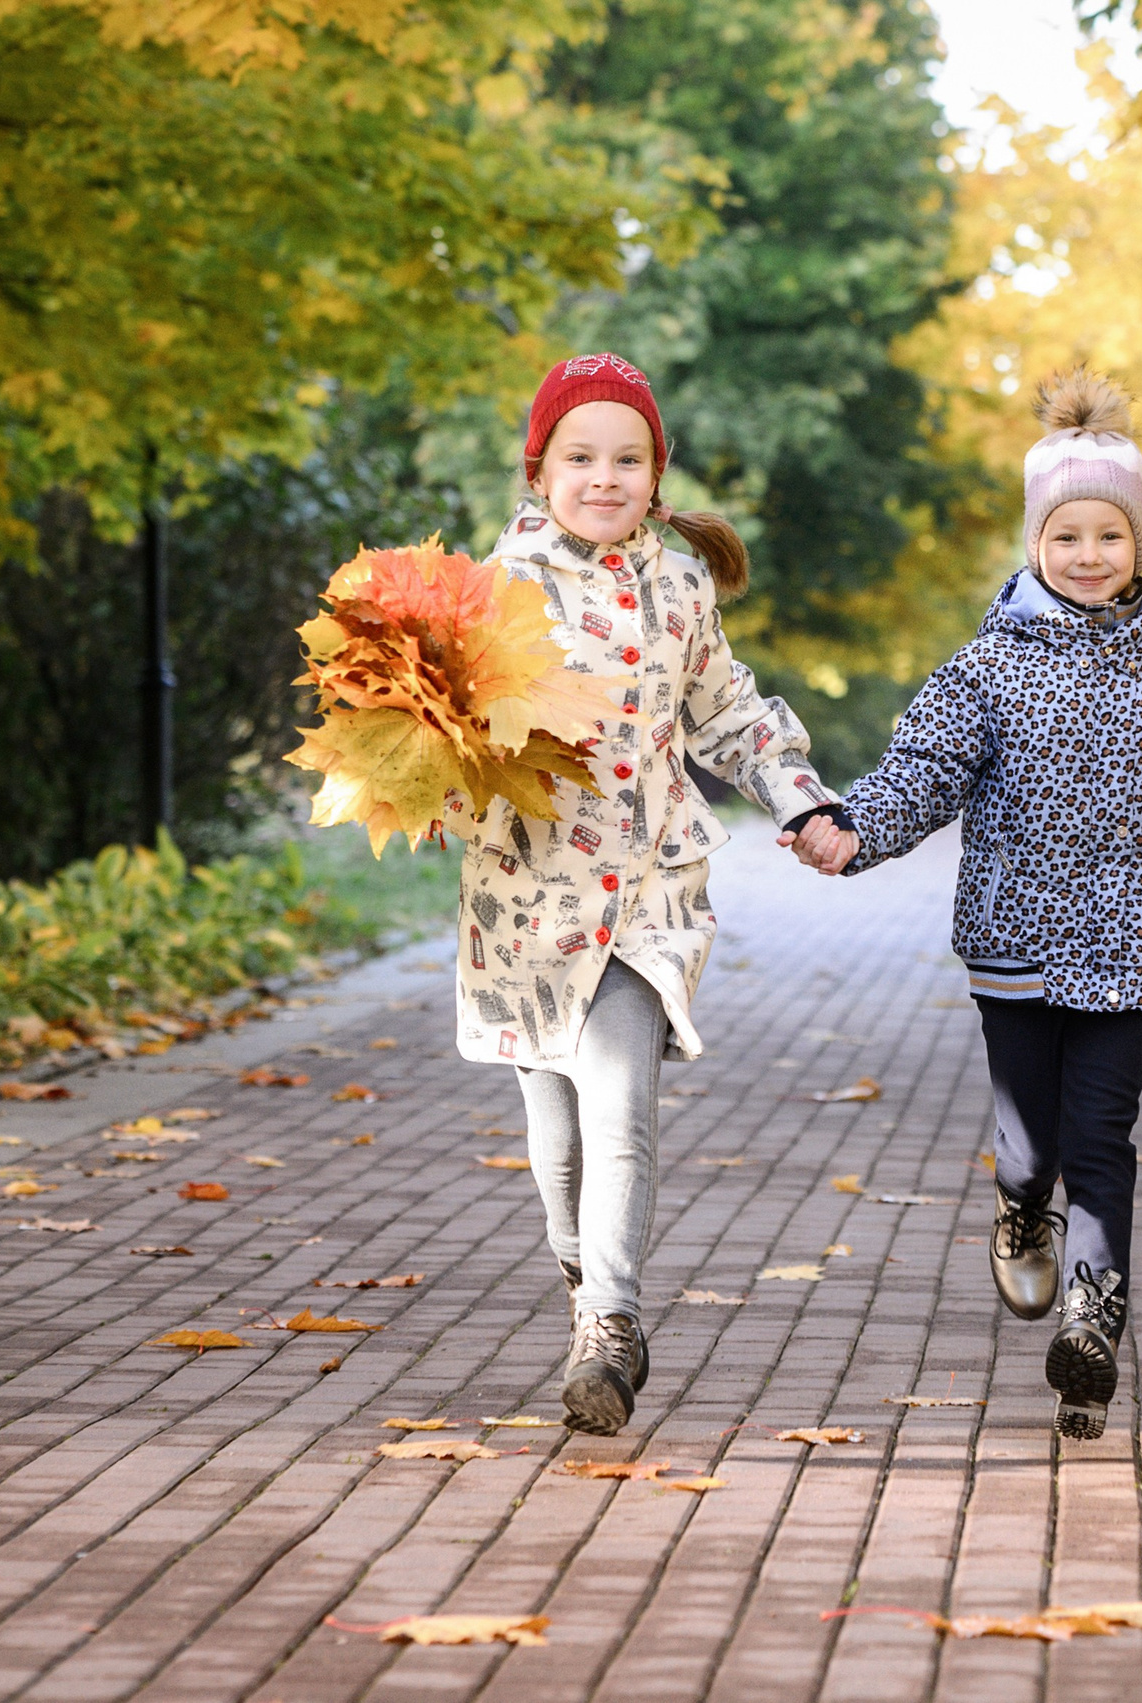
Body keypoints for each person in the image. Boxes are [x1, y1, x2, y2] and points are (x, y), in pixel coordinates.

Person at [782, 368, 1142, 1439]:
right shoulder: (984, 670)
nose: (1089, 555)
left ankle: (1091, 1327)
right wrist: (852, 829)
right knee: (1031, 1148)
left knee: (1102, 1140)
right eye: (1066, 536)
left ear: (1138, 544)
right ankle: (1016, 1208)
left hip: (1129, 948)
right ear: (1035, 544)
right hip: (1016, 944)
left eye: (1109, 535)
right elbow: (923, 771)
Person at [464, 351, 841, 1435]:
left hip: (643, 889)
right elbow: (442, 726)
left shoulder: (679, 585)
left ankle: (611, 1325)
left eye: (627, 458)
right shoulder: (498, 588)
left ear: (655, 471)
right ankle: (585, 1275)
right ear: (540, 471)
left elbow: (728, 712)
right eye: (580, 456)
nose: (604, 476)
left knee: (620, 1106)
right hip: (526, 899)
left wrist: (801, 801)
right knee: (559, 1145)